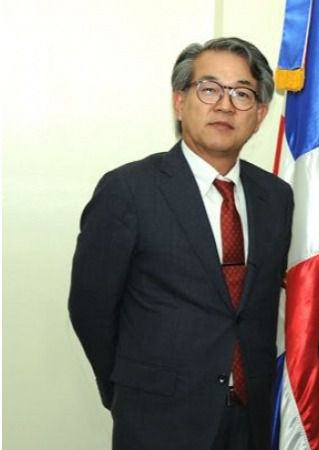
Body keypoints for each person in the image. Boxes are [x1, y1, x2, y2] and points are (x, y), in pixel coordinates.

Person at [68, 37, 293, 450]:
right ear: (179, 101)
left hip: (251, 419)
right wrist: (128, 388)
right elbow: (90, 308)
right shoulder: (129, 190)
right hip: (158, 420)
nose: (225, 105)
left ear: (260, 114)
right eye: (209, 89)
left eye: (242, 94)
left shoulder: (276, 197)